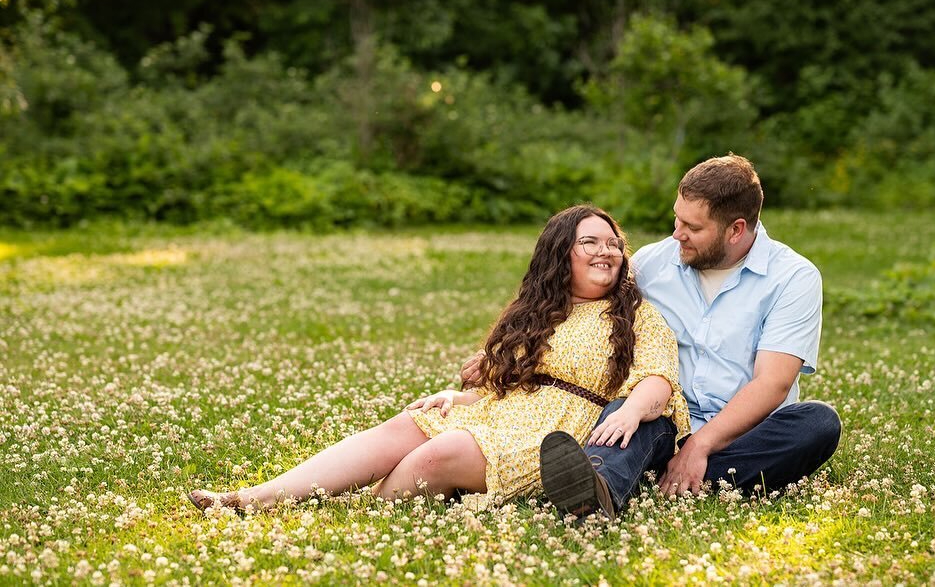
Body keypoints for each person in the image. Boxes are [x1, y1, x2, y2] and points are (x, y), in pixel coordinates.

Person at [188, 205, 690, 513]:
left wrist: (628, 410)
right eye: (590, 243)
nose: (606, 252)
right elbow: (513, 382)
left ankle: (388, 503)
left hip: (557, 429)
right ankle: (253, 498)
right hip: (500, 411)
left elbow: (659, 378)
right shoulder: (539, 310)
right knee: (404, 426)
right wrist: (462, 396)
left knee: (433, 456)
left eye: (613, 244)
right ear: (561, 254)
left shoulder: (635, 315)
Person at [464, 154, 842, 518]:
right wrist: (508, 356)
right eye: (677, 219)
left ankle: (652, 476)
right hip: (662, 421)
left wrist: (700, 445)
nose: (677, 234)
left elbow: (773, 384)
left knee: (818, 424)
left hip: (742, 434)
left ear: (736, 230)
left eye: (692, 228)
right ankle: (599, 492)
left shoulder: (794, 277)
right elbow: (578, 308)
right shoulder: (652, 263)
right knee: (628, 409)